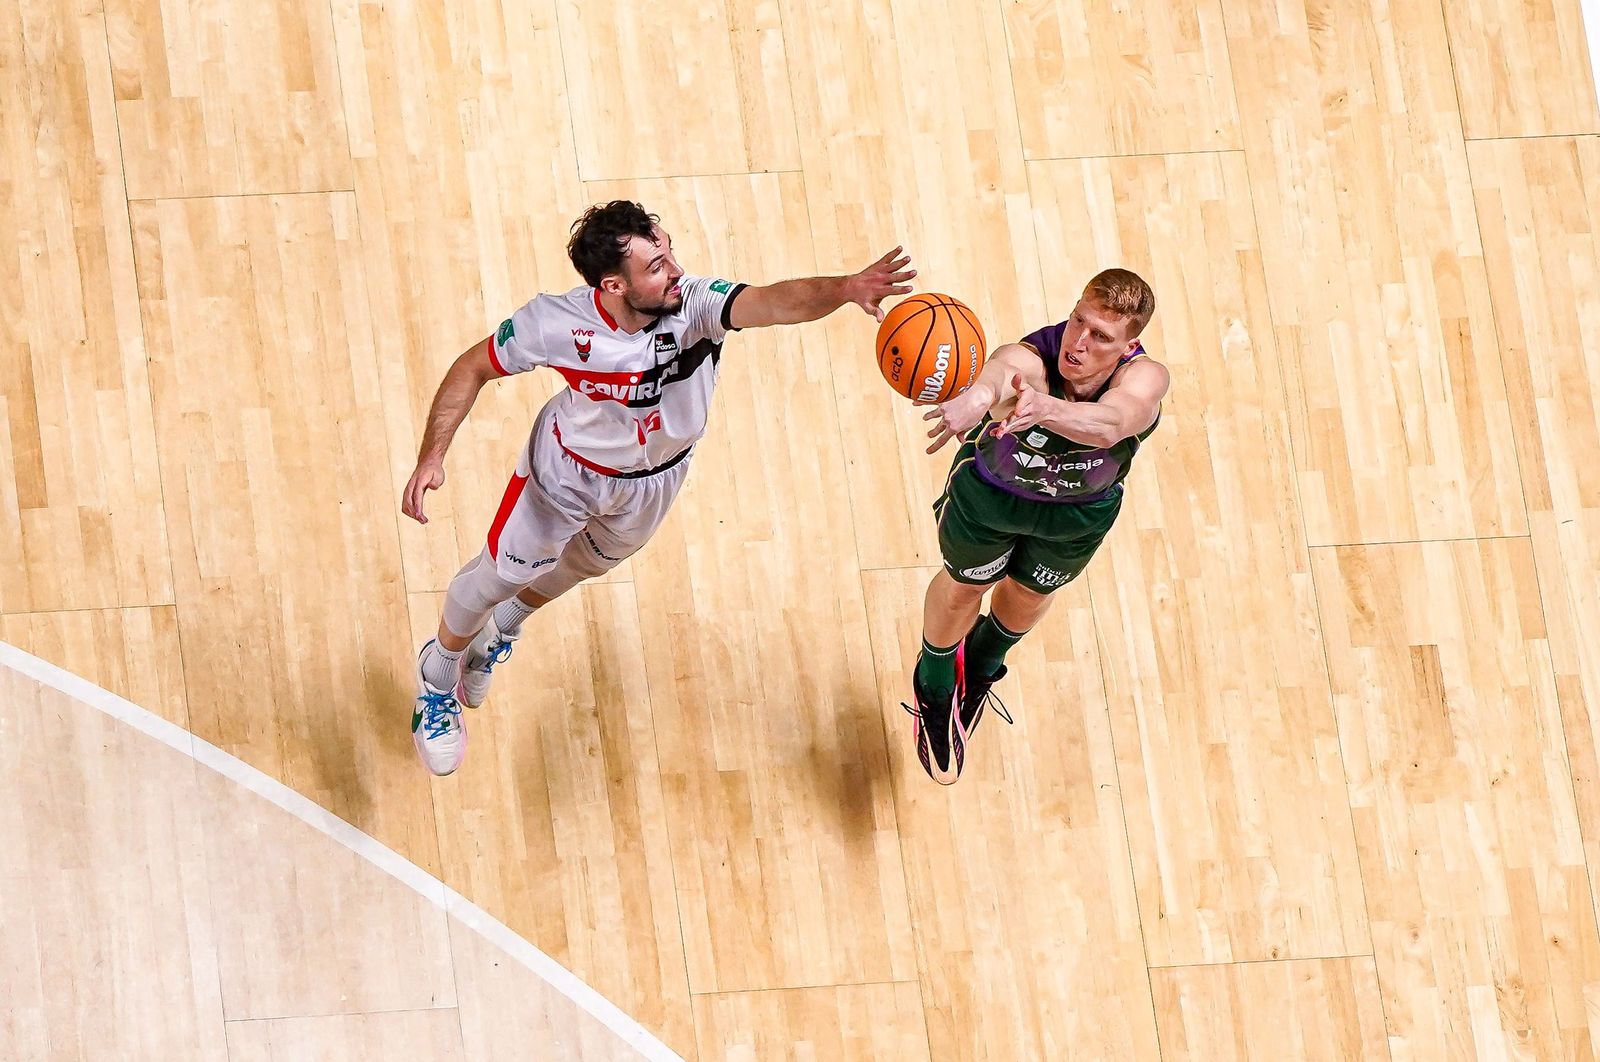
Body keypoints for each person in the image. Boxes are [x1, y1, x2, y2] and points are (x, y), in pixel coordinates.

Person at [400, 200, 913, 776]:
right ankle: (437, 676)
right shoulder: (556, 323)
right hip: (566, 475)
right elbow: (472, 366)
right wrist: (432, 458)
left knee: (576, 569)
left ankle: (502, 629)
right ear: (613, 284)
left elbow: (773, 300)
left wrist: (845, 288)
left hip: (655, 482)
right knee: (502, 572)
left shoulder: (695, 304)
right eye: (656, 265)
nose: (674, 271)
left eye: (669, 252)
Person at [909, 269, 1169, 783]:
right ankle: (934, 681)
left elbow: (1111, 425)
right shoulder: (1032, 359)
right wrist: (978, 398)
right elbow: (998, 374)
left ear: (1129, 344)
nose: (1079, 342)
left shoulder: (1146, 378)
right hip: (991, 497)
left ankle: (981, 664)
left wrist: (1042, 409)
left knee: (1028, 597)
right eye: (1078, 321)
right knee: (967, 586)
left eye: (1101, 336)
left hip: (1077, 511)